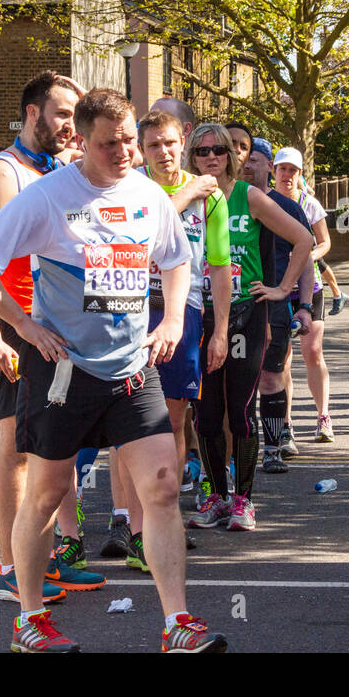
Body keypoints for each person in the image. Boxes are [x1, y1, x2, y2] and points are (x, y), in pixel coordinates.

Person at [0, 86, 227, 652]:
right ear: (82, 141)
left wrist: (173, 318)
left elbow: (178, 260)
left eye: (131, 139)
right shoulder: (49, 196)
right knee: (49, 492)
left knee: (162, 485)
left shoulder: (148, 195)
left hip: (133, 368)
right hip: (64, 371)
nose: (125, 152)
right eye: (111, 144)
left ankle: (178, 624)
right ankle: (29, 620)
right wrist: (22, 325)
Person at [0, 72, 101, 603]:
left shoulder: (60, 169)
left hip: (60, 327)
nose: (72, 124)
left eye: (76, 114)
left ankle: (45, 559)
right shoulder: (3, 173)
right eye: (64, 113)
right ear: (31, 113)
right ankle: (7, 565)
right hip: (21, 328)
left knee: (53, 446)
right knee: (15, 449)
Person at [113, 109, 232, 565]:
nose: (163, 153)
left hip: (184, 313)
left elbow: (218, 267)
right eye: (152, 146)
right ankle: (131, 523)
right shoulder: (132, 188)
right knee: (127, 418)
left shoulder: (211, 196)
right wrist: (186, 193)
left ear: (182, 140)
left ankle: (165, 516)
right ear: (141, 151)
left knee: (174, 418)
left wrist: (219, 331)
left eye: (169, 143)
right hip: (132, 311)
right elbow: (141, 239)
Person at [185, 125, 313, 532]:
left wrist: (281, 290)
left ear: (231, 156)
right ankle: (216, 496)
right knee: (206, 414)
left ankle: (243, 500)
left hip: (245, 314)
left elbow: (303, 239)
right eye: (202, 150)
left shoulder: (249, 196)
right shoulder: (187, 197)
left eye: (219, 150)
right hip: (197, 313)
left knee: (240, 410)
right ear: (192, 155)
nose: (211, 157)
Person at [240, 140, 317, 468]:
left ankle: (274, 447)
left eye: (255, 160)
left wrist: (305, 305)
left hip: (274, 304)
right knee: (237, 384)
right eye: (243, 157)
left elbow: (307, 256)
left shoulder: (286, 206)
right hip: (234, 304)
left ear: (269, 166)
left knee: (271, 377)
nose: (248, 165)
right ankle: (231, 457)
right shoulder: (225, 201)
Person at [268, 147, 332, 450]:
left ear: (300, 174)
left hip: (310, 287)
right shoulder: (266, 202)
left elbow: (324, 242)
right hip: (281, 285)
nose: (287, 175)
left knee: (313, 350)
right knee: (283, 359)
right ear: (274, 171)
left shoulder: (310, 204)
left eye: (292, 170)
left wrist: (307, 253)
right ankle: (286, 424)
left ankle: (323, 417)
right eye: (282, 169)